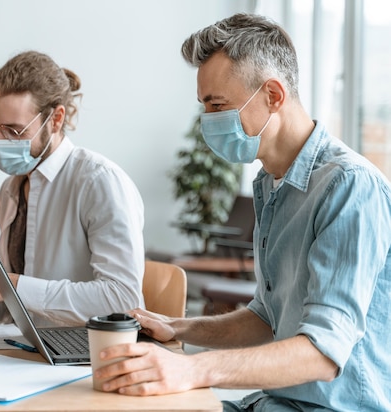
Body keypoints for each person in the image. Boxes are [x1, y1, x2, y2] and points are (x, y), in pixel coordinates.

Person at [93, 13, 391, 411]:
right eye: (205, 107)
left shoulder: (349, 186)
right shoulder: (269, 184)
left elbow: (321, 354)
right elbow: (267, 318)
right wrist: (178, 327)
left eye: (219, 105)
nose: (209, 121)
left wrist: (193, 369)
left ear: (273, 95)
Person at [0, 50, 145, 327]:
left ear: (55, 119)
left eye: (14, 131)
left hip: (90, 355)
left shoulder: (99, 182)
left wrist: (11, 285)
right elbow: (15, 309)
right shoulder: (10, 191)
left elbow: (122, 299)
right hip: (31, 351)